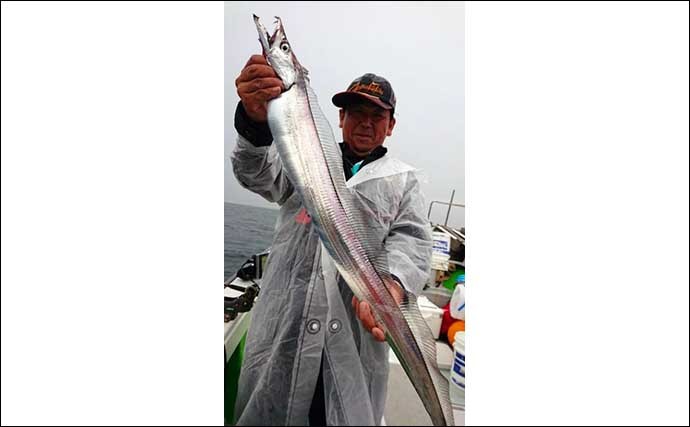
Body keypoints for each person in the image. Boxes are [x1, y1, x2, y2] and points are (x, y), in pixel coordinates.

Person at [231, 54, 433, 426]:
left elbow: (413, 240)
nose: (365, 124)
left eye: (377, 117)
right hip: (285, 332)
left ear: (391, 126)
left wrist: (394, 283)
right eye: (356, 113)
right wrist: (255, 124)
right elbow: (256, 173)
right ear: (340, 118)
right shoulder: (304, 155)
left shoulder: (404, 181)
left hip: (356, 340)